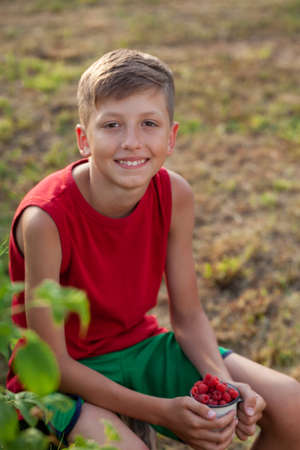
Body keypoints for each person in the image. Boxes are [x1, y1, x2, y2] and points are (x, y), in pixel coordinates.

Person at [6, 48, 300, 450]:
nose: (131, 142)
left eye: (148, 123)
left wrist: (224, 382)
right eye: (112, 124)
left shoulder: (174, 194)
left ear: (171, 136)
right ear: (83, 138)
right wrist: (161, 412)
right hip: (61, 375)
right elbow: (54, 365)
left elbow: (190, 314)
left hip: (138, 346)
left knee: (291, 405)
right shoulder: (46, 219)